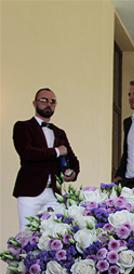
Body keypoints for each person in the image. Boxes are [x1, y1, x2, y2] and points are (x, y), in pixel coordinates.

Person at [13, 88, 80, 231]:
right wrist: (56, 151)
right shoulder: (22, 127)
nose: (49, 104)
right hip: (30, 191)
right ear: (34, 103)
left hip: (54, 193)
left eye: (53, 101)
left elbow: (72, 159)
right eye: (44, 100)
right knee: (27, 235)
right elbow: (27, 153)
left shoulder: (59, 132)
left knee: (55, 235)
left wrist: (72, 172)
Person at [113, 79, 134, 190]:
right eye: (129, 94)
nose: (131, 98)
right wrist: (118, 175)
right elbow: (127, 151)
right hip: (127, 181)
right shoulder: (128, 122)